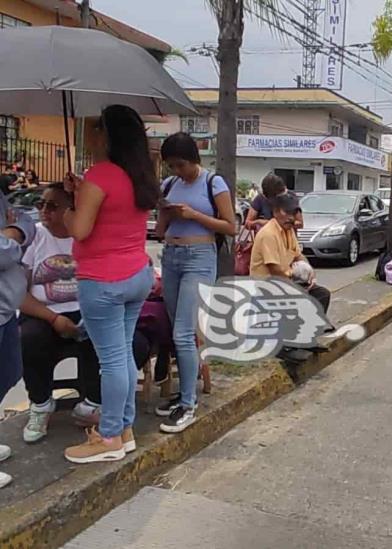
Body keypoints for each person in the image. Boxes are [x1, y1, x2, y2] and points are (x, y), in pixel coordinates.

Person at [62, 105, 158, 464]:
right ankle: (124, 429)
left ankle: (108, 439)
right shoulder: (139, 174)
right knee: (121, 359)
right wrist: (81, 192)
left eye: (93, 128)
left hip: (103, 280)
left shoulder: (99, 175)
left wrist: (70, 210)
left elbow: (81, 230)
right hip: (137, 275)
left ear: (105, 135)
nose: (89, 134)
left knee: (113, 361)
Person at [154, 132, 236, 434]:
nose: (177, 171)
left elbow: (230, 227)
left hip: (200, 257)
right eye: (172, 166)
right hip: (172, 256)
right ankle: (185, 390)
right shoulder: (170, 185)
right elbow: (160, 231)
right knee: (179, 328)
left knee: (183, 332)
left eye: (181, 165)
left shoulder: (213, 183)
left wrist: (194, 215)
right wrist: (165, 213)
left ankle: (188, 404)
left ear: (194, 160)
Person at [18, 183, 103, 443]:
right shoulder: (35, 238)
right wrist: (54, 319)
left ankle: (93, 403)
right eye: (40, 204)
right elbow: (19, 293)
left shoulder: (88, 237)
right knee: (28, 338)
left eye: (53, 206)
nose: (44, 211)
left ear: (72, 211)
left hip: (84, 310)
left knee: (110, 336)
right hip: (44, 313)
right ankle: (41, 404)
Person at [0, 194, 36, 489]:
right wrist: (14, 238)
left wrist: (13, 233)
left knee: (10, 371)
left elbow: (27, 221)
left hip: (6, 307)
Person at [250, 193, 331, 314]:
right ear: (276, 212)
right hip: (269, 285)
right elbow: (274, 269)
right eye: (287, 213)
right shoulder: (268, 234)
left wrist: (310, 274)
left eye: (293, 214)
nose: (291, 218)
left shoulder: (288, 230)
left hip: (287, 281)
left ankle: (311, 328)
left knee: (322, 294)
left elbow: (298, 256)